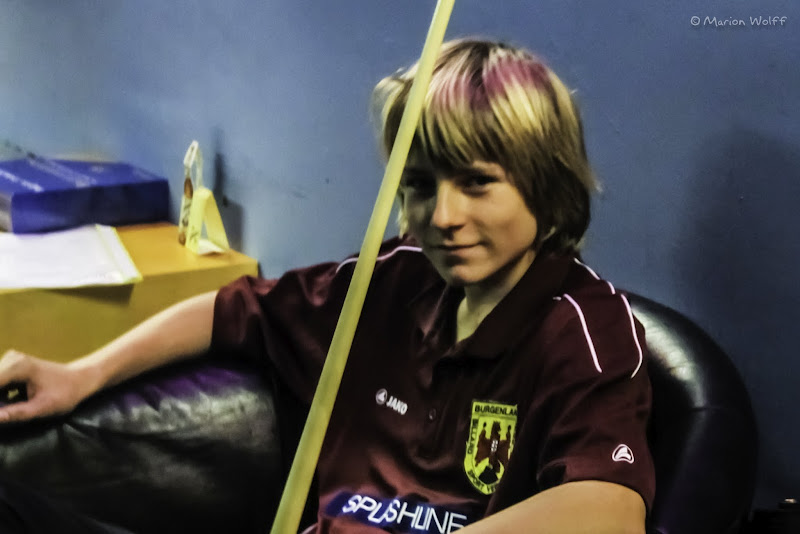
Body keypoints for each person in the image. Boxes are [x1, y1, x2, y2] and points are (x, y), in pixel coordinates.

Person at [0, 38, 654, 533]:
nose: (443, 217)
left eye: (477, 182)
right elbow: (233, 310)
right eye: (419, 186)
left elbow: (611, 507)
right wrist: (81, 374)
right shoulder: (391, 278)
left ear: (546, 183)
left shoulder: (583, 329)